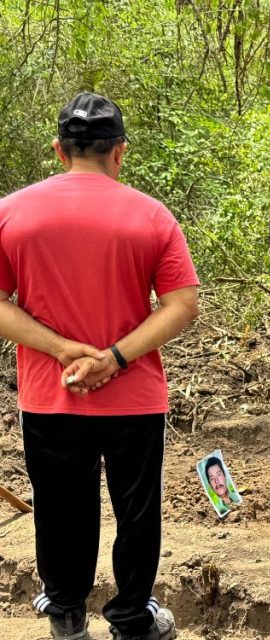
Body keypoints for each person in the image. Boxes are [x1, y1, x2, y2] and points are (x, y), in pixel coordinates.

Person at [0, 92, 200, 640]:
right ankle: (132, 617)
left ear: (59, 150)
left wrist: (64, 350)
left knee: (61, 508)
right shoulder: (152, 215)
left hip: (50, 393)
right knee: (136, 511)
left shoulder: (11, 212)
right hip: (133, 397)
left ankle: (66, 613)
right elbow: (183, 303)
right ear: (120, 152)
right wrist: (114, 358)